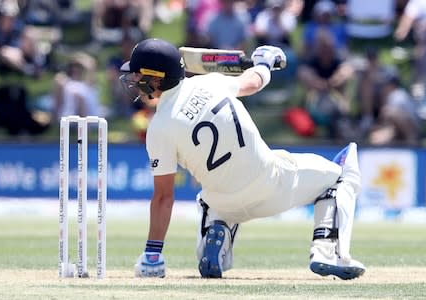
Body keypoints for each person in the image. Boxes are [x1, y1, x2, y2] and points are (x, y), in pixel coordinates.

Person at [119, 38, 365, 280]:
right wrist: (264, 63)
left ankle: (217, 236)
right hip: (270, 184)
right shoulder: (210, 83)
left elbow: (164, 197)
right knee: (341, 174)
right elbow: (253, 83)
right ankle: (327, 251)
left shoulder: (158, 129)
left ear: (155, 79)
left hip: (223, 202)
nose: (134, 81)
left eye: (138, 76)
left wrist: (153, 254)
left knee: (208, 198)